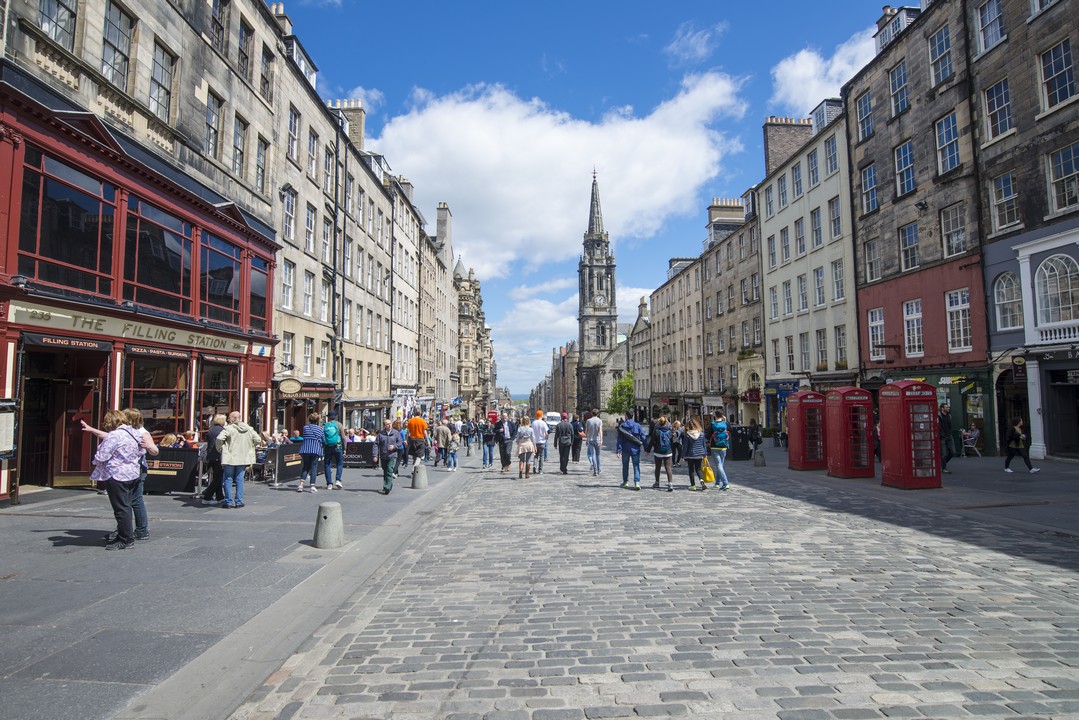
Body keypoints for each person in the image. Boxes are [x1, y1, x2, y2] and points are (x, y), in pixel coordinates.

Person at [89, 409, 144, 549]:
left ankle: (126, 539)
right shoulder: (134, 433)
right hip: (132, 474)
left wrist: (96, 461)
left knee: (121, 508)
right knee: (126, 506)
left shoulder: (114, 435)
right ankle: (124, 535)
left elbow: (102, 456)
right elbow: (142, 450)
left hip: (117, 475)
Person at [216, 411, 259, 508]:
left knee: (228, 479)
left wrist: (221, 448)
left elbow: (219, 439)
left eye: (229, 417)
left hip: (230, 457)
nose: (228, 419)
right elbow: (258, 439)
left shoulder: (228, 428)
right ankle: (239, 501)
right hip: (243, 458)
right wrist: (250, 447)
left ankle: (228, 502)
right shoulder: (249, 428)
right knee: (240, 479)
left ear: (232, 418)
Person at [615, 410, 647, 489]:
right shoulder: (637, 425)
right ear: (633, 415)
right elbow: (643, 437)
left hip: (625, 449)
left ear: (626, 416)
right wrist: (646, 448)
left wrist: (619, 451)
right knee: (636, 466)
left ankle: (625, 482)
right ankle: (637, 482)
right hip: (635, 449)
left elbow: (619, 440)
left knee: (625, 466)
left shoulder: (622, 426)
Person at [200, 414, 227, 503]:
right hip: (219, 456)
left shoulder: (211, 430)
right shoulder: (222, 431)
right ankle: (207, 496)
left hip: (211, 456)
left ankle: (220, 497)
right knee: (218, 478)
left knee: (217, 477)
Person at [295, 411, 324, 493]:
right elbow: (323, 439)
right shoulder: (320, 429)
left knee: (305, 467)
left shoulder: (305, 428)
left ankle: (301, 485)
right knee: (314, 468)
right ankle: (312, 486)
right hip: (315, 449)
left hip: (305, 449)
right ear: (317, 421)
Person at [646, 415, 676, 492]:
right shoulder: (669, 431)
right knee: (668, 468)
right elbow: (672, 441)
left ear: (659, 423)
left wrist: (648, 450)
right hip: (668, 452)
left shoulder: (656, 431)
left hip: (658, 451)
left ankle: (657, 483)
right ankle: (670, 484)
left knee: (658, 467)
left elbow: (652, 442)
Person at [683, 418, 709, 490]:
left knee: (691, 470)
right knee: (698, 469)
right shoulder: (701, 434)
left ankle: (693, 485)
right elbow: (704, 445)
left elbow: (685, 446)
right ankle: (701, 480)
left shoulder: (687, 435)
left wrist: (683, 455)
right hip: (700, 454)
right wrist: (705, 453)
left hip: (690, 454)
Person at [707, 412, 731, 491]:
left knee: (719, 465)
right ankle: (717, 483)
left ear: (715, 416)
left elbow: (707, 435)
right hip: (724, 447)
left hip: (714, 446)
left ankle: (725, 483)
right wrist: (726, 420)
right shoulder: (725, 424)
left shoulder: (712, 424)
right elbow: (731, 429)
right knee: (720, 466)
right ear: (722, 416)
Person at [376, 418, 401, 494]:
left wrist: (394, 447)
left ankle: (387, 487)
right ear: (384, 426)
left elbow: (400, 442)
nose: (389, 425)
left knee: (390, 470)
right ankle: (388, 484)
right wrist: (375, 455)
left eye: (390, 423)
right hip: (383, 455)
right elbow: (376, 444)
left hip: (392, 455)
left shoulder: (396, 433)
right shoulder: (381, 434)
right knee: (385, 471)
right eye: (387, 424)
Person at [322, 410, 345, 489]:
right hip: (337, 446)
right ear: (335, 416)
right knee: (339, 463)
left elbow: (323, 437)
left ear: (328, 417)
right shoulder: (339, 424)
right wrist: (345, 448)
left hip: (328, 447)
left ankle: (329, 483)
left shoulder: (325, 425)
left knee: (327, 464)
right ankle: (338, 480)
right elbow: (343, 437)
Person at [585, 408, 603, 476]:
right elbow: (600, 431)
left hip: (591, 440)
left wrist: (587, 439)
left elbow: (586, 431)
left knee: (593, 455)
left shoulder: (588, 421)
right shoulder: (599, 421)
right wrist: (601, 440)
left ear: (591, 414)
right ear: (598, 414)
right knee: (598, 455)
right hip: (597, 439)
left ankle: (595, 470)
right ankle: (598, 469)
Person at [531, 411, 549, 475]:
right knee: (541, 456)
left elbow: (532, 432)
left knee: (535, 455)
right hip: (542, 442)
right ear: (541, 416)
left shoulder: (533, 423)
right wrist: (546, 438)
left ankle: (534, 466)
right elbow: (546, 433)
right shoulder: (543, 423)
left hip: (535, 442)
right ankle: (540, 470)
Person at [939, 403, 955, 474]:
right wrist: (942, 435)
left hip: (949, 436)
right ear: (942, 408)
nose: (948, 408)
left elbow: (950, 426)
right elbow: (939, 427)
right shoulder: (939, 416)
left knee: (952, 452)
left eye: (948, 407)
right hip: (942, 437)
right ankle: (944, 467)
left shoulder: (949, 416)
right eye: (947, 407)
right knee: (944, 454)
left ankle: (942, 464)